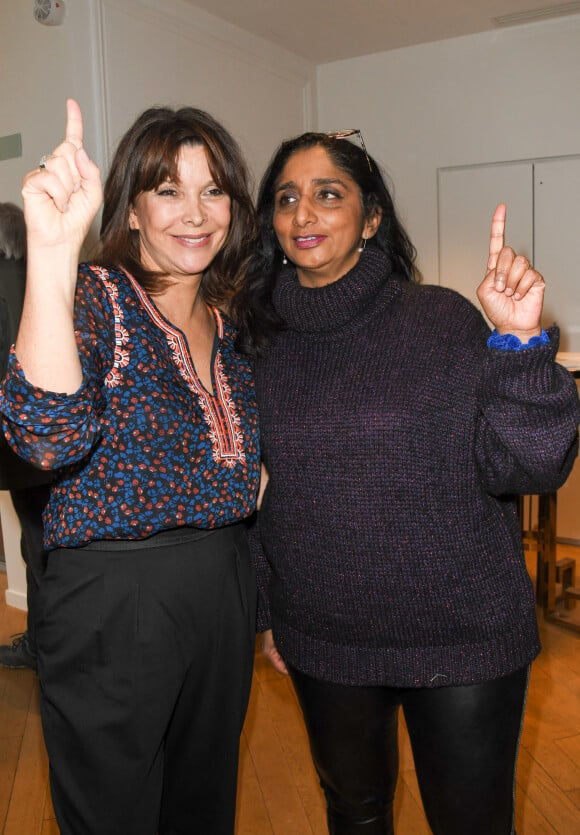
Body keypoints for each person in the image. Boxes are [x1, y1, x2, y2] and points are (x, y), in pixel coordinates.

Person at [233, 131, 580, 835]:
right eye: (287, 198)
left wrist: (518, 345)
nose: (304, 214)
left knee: (471, 821)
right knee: (353, 814)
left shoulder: (444, 319)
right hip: (324, 637)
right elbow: (260, 494)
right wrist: (269, 607)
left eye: (329, 194)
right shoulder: (255, 343)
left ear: (371, 219)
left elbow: (534, 464)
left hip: (461, 638)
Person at [0, 100, 260, 835]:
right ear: (134, 208)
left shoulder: (230, 321)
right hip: (116, 604)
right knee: (112, 811)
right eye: (169, 189)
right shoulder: (97, 298)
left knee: (202, 803)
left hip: (222, 590)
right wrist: (53, 255)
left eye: (213, 190)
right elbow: (43, 437)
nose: (196, 212)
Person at [0, 201, 52, 672]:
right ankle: (42, 645)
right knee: (40, 545)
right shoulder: (46, 278)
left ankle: (47, 649)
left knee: (37, 549)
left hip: (17, 443)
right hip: (53, 438)